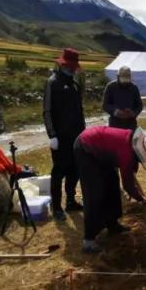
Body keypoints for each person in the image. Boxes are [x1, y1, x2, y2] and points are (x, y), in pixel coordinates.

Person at [74, 125, 146, 253]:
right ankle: (89, 240)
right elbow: (128, 185)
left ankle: (112, 225)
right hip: (86, 148)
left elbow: (128, 174)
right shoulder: (126, 152)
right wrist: (140, 198)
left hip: (102, 150)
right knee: (94, 193)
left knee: (112, 185)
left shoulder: (132, 141)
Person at [43, 48, 86, 221]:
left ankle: (70, 201)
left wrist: (83, 131)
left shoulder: (75, 84)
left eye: (74, 67)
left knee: (74, 169)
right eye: (70, 66)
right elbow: (47, 111)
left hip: (76, 135)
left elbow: (79, 110)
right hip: (60, 137)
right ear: (62, 64)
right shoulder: (52, 82)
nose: (73, 69)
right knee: (59, 171)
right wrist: (52, 135)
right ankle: (56, 207)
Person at [103, 66, 143, 130]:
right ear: (118, 77)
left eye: (127, 80)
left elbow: (139, 105)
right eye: (123, 80)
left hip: (130, 124)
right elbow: (105, 105)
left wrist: (133, 113)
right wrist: (115, 111)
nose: (125, 83)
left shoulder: (134, 88)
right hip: (115, 123)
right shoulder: (110, 87)